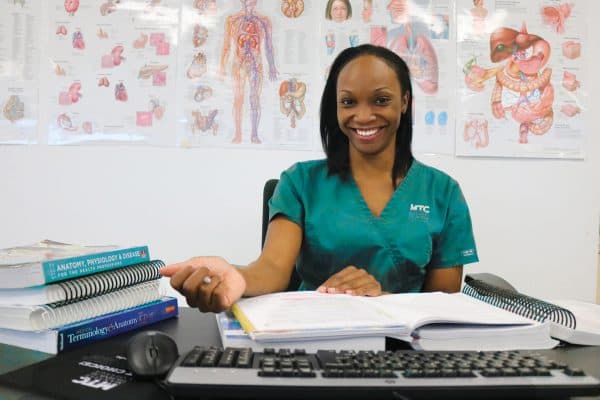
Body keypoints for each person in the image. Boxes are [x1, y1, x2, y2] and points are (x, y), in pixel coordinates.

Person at [160, 45, 479, 313]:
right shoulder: (300, 182)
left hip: (405, 350)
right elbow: (272, 269)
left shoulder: (443, 192)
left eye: (381, 100)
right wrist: (237, 277)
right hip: (311, 338)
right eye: (348, 102)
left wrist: (378, 300)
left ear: (405, 102)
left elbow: (444, 302)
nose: (364, 116)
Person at [219, 0, 277, 144]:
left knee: (255, 98)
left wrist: (272, 66)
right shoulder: (232, 20)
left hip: (256, 64)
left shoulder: (264, 21)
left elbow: (269, 46)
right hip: (239, 64)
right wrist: (221, 67)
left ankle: (254, 134)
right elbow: (226, 45)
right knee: (238, 99)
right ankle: (238, 134)